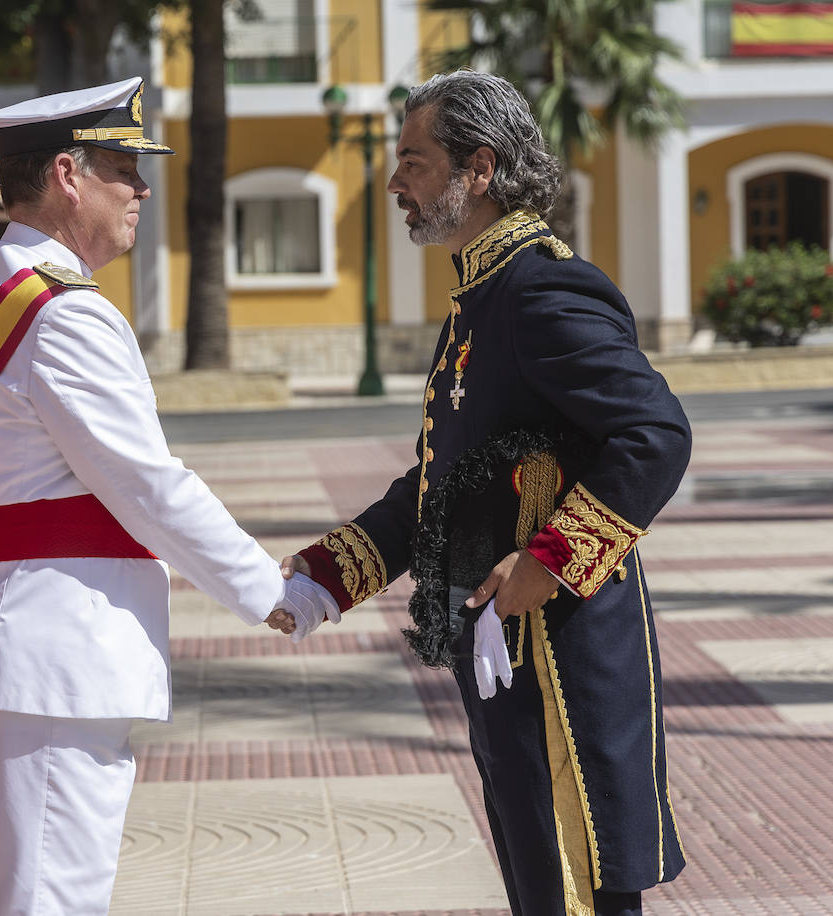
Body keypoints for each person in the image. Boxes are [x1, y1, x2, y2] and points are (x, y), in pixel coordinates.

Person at [279, 71, 691, 916]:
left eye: (414, 161)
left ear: (479, 167)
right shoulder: (481, 296)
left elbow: (655, 434)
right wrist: (323, 576)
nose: (395, 182)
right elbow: (440, 490)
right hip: (511, 663)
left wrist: (552, 560)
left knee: (580, 893)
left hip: (565, 662)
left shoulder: (539, 289)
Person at [0, 77, 328, 914]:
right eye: (122, 167)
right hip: (47, 658)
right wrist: (270, 592)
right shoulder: (64, 312)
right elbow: (149, 484)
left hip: (9, 642)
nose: (141, 188)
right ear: (68, 174)